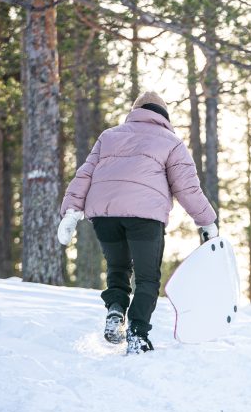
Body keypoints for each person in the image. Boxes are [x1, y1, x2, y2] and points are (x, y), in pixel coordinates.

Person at [57, 91, 217, 354]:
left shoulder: (109, 136)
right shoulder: (171, 142)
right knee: (147, 278)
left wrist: (72, 211)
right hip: (145, 216)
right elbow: (187, 188)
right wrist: (207, 221)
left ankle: (116, 310)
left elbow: (85, 173)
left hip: (105, 214)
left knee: (118, 268)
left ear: (135, 111)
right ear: (163, 115)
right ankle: (137, 333)